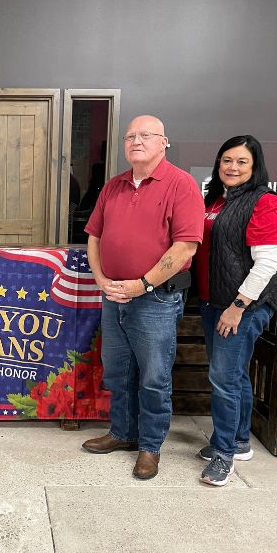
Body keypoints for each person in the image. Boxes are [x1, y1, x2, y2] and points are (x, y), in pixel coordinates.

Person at [82, 115, 204, 480]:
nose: (136, 140)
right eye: (130, 136)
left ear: (164, 142)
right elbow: (94, 236)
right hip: (113, 296)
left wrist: (143, 285)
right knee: (118, 372)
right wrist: (102, 279)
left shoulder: (180, 185)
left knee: (153, 377)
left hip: (155, 300)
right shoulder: (113, 187)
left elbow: (185, 248)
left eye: (146, 135)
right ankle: (123, 433)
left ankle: (150, 446)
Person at [193, 135, 277, 486]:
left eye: (241, 161)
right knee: (233, 375)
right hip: (213, 301)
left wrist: (237, 307)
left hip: (242, 305)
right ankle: (240, 440)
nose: (232, 167)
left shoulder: (264, 202)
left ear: (255, 166)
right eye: (226, 160)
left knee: (223, 378)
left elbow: (266, 265)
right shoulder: (216, 199)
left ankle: (224, 454)